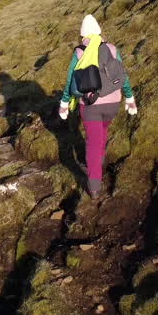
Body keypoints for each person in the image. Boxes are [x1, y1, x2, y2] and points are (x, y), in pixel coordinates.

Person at [58, 14, 137, 197]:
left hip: (90, 106)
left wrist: (64, 103)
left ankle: (94, 186)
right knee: (101, 134)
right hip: (113, 103)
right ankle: (98, 162)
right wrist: (130, 98)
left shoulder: (79, 52)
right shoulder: (111, 48)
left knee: (93, 142)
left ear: (82, 35)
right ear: (99, 32)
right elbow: (122, 76)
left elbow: (71, 81)